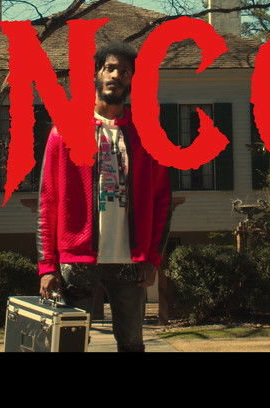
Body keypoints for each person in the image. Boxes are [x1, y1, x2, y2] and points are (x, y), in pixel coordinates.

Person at [36, 41, 172, 352]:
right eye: (110, 68)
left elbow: (162, 200)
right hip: (77, 261)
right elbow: (48, 201)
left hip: (130, 261)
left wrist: (152, 258)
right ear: (97, 74)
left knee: (132, 343)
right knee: (69, 345)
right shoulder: (64, 130)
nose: (116, 75)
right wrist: (47, 266)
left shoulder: (148, 134)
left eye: (125, 71)